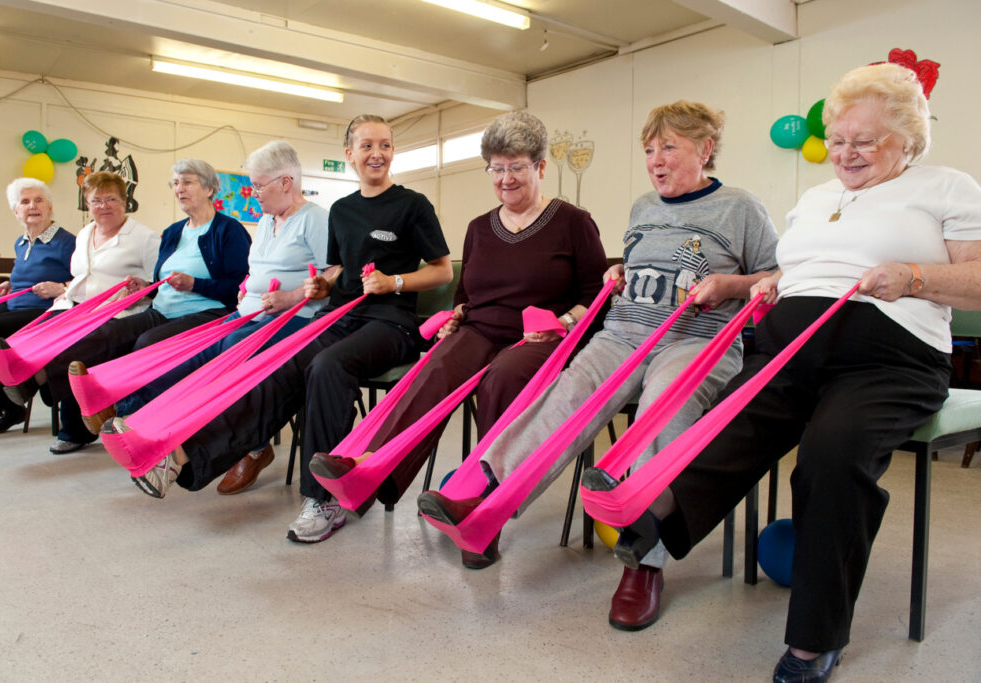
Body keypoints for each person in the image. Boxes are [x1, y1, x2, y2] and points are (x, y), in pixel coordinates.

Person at [582, 64, 981, 682]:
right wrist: (773, 282)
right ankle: (656, 514)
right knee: (728, 421)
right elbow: (797, 268)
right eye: (839, 139)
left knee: (830, 456)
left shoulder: (946, 187)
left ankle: (813, 640)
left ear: (908, 139)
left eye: (864, 141)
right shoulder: (817, 200)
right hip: (788, 342)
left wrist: (916, 278)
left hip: (889, 355)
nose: (844, 153)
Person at [418, 101, 778, 582]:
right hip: (624, 333)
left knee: (661, 410)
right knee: (563, 397)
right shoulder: (643, 207)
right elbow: (647, 271)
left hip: (695, 340)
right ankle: (485, 498)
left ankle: (643, 561)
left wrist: (729, 285)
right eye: (650, 149)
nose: (656, 159)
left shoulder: (740, 206)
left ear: (706, 149)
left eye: (669, 147)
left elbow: (778, 274)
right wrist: (621, 272)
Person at [106, 114, 452, 544]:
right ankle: (181, 458)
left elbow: (440, 272)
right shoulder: (344, 209)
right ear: (350, 154)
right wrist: (322, 284)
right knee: (280, 364)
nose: (375, 153)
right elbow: (338, 269)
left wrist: (395, 282)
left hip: (391, 324)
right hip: (342, 316)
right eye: (366, 146)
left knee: (326, 366)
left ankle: (322, 498)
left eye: (384, 145)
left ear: (392, 150)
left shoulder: (412, 204)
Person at [309, 111, 607, 518]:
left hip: (544, 338)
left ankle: (482, 504)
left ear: (539, 166)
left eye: (517, 167)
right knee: (435, 367)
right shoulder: (479, 227)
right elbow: (466, 294)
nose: (506, 179)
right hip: (481, 330)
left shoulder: (574, 222)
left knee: (500, 379)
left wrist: (565, 323)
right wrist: (457, 315)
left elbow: (598, 295)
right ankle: (371, 465)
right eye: (496, 169)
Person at [114, 141, 330, 495]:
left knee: (224, 356)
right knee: (191, 355)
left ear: (286, 182)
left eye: (259, 186)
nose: (254, 193)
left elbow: (332, 275)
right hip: (248, 315)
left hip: (293, 319)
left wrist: (292, 296)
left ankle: (176, 447)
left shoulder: (315, 219)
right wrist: (247, 287)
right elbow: (254, 271)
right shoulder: (264, 221)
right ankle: (137, 424)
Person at [0, 171, 164, 453]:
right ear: (87, 203)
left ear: (126, 202)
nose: (104, 206)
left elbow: (157, 282)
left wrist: (142, 287)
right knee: (42, 333)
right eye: (96, 200)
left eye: (111, 199)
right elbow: (79, 277)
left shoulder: (144, 238)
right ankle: (28, 380)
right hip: (78, 307)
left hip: (118, 313)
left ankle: (52, 403)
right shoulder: (85, 233)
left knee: (74, 351)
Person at [0, 178, 75, 435]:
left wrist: (62, 286)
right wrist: (10, 282)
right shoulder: (21, 242)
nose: (32, 206)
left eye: (39, 200)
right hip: (15, 302)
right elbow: (27, 271)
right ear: (15, 211)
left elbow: (85, 278)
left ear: (50, 207)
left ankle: (6, 406)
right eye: (25, 201)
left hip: (45, 310)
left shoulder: (68, 243)